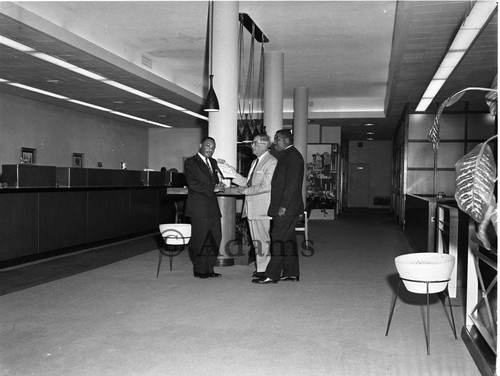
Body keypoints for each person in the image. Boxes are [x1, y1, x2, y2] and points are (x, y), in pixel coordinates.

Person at [253, 129, 305, 284]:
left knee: (278, 239)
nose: (275, 142)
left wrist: (283, 206)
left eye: (278, 139)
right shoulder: (286, 155)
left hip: (286, 207)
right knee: (287, 240)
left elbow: (292, 184)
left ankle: (272, 274)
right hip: (287, 206)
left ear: (287, 140)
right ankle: (291, 272)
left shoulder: (293, 156)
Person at [230, 134, 277, 281]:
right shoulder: (255, 162)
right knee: (258, 240)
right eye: (252, 143)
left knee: (263, 240)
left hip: (262, 207)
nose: (252, 146)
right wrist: (231, 173)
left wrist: (244, 191)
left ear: (264, 144)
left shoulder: (271, 161)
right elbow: (247, 182)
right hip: (252, 207)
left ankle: (265, 270)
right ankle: (261, 268)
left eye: (255, 143)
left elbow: (265, 186)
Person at [184, 137, 225, 279]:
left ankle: (209, 268)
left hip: (212, 207)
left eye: (213, 147)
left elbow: (215, 180)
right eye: (208, 146)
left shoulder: (213, 162)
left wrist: (219, 185)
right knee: (200, 239)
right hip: (198, 207)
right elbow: (193, 183)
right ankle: (200, 269)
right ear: (201, 145)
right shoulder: (191, 162)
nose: (211, 149)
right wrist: (212, 188)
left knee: (215, 237)